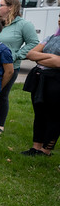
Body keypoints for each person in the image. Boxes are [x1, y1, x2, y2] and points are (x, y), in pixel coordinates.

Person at [0, 0, 38, 137]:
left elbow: (33, 43)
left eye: (1, 5)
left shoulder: (23, 24)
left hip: (8, 68)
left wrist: (16, 55)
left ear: (11, 7)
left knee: (1, 95)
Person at [21, 14, 60, 156]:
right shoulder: (50, 38)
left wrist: (42, 58)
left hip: (56, 81)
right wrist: (52, 57)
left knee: (54, 115)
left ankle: (46, 150)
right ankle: (35, 147)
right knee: (39, 113)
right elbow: (31, 54)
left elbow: (58, 63)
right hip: (40, 79)